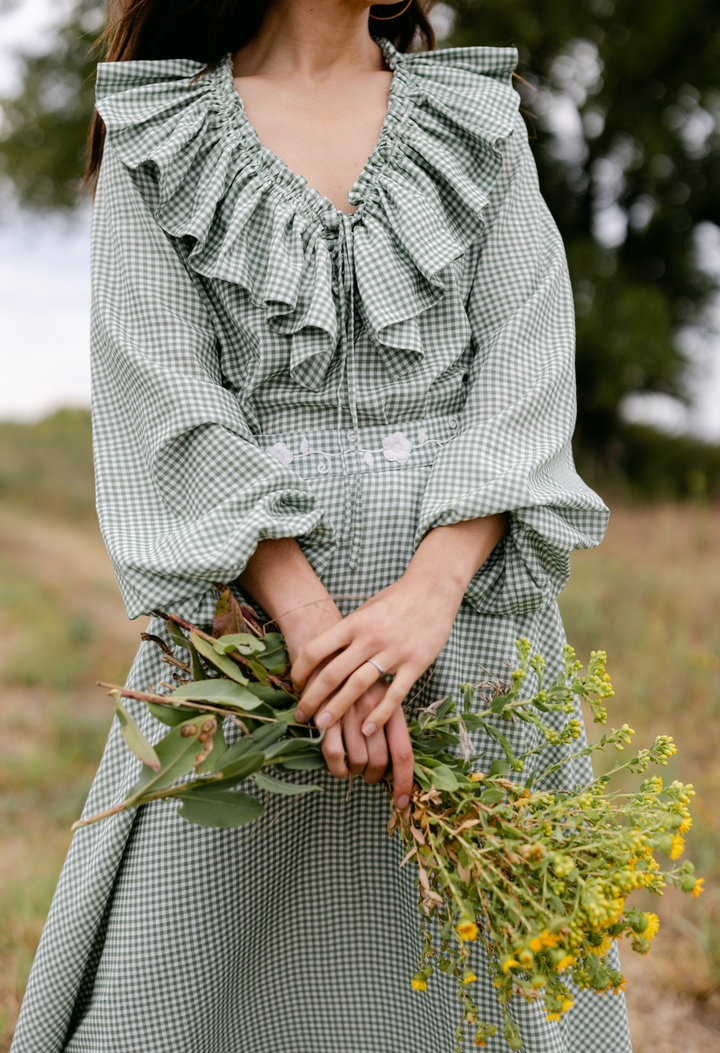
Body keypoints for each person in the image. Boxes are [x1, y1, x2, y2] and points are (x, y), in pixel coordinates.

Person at [11, 2, 633, 1051]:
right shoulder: (158, 129)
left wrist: (428, 597)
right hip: (251, 637)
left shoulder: (480, 115)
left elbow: (526, 371)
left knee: (492, 992)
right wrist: (311, 633)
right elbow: (166, 399)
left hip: (467, 628)